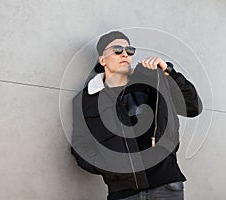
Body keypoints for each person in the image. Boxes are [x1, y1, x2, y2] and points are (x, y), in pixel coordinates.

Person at [71, 31, 202, 200]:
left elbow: (193, 107)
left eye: (129, 50)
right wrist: (107, 166)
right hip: (122, 193)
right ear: (102, 60)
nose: (125, 53)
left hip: (165, 185)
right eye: (117, 50)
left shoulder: (151, 80)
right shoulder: (85, 100)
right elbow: (80, 146)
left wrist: (168, 71)